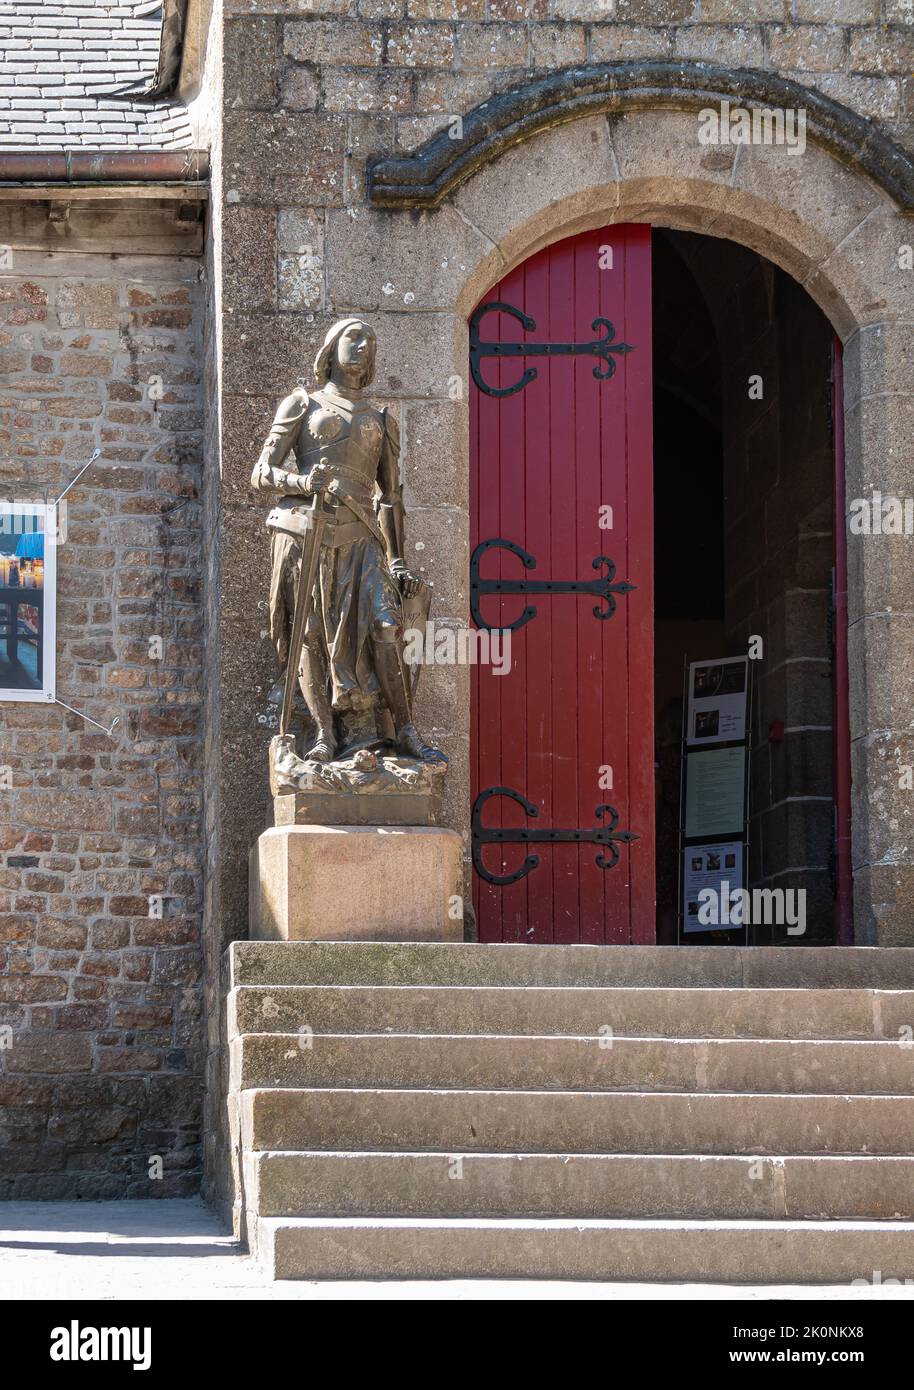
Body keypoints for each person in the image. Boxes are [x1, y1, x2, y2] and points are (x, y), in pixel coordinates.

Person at [251, 317, 445, 765]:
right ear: (331, 348)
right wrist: (302, 480)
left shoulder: (380, 419)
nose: (362, 346)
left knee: (385, 626)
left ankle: (406, 730)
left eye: (370, 341)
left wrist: (397, 560)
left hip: (362, 537)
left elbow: (391, 498)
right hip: (308, 531)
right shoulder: (303, 403)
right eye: (353, 337)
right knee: (310, 633)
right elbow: (261, 473)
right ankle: (323, 734)